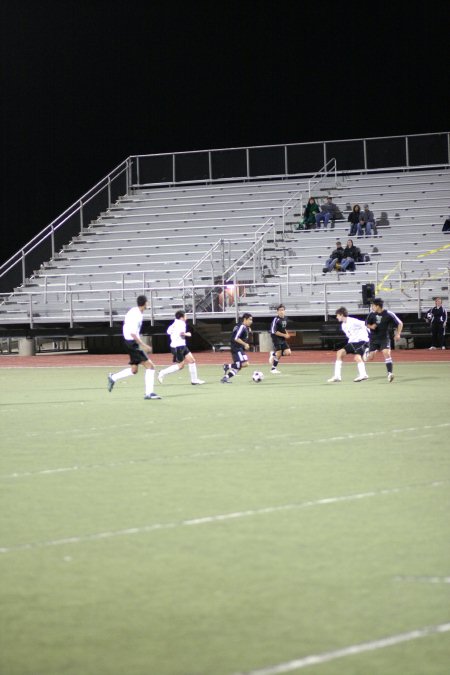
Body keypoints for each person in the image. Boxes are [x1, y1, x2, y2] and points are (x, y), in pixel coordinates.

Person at [107, 295, 161, 400]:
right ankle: (149, 393)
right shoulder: (136, 315)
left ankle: (113, 377)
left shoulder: (134, 311)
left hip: (129, 342)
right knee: (150, 367)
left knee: (134, 370)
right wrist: (144, 345)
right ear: (145, 303)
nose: (148, 304)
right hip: (132, 343)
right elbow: (133, 333)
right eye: (147, 302)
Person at [157, 310, 205, 385]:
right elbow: (181, 334)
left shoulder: (174, 323)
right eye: (185, 315)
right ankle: (162, 372)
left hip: (180, 345)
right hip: (178, 347)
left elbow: (168, 331)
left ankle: (194, 380)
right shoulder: (182, 323)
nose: (186, 317)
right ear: (181, 317)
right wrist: (188, 334)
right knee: (181, 366)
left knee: (192, 361)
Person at [363, 298, 403, 382]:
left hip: (384, 338)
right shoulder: (371, 314)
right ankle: (367, 352)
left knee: (386, 353)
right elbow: (366, 324)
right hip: (373, 339)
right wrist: (371, 326)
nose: (372, 307)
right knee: (370, 358)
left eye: (373, 305)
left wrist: (398, 333)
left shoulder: (389, 314)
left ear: (378, 306)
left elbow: (400, 323)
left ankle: (389, 374)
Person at [328, 307, 370, 382]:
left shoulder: (353, 321)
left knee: (357, 357)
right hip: (352, 343)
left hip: (362, 341)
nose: (336, 317)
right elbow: (350, 336)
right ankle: (337, 376)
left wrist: (370, 336)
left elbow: (365, 324)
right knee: (339, 353)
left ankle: (363, 375)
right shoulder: (343, 325)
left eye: (337, 315)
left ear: (341, 315)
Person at [221, 313, 253, 383]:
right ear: (245, 319)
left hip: (239, 348)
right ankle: (227, 366)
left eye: (251, 320)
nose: (251, 321)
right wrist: (245, 344)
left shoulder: (244, 327)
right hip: (236, 348)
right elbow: (236, 338)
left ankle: (226, 378)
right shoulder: (242, 326)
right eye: (250, 320)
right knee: (242, 364)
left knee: (242, 365)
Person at [269, 304, 291, 374]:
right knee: (279, 353)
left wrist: (286, 333)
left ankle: (273, 354)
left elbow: (284, 328)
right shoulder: (276, 319)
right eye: (280, 310)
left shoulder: (286, 318)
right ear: (277, 312)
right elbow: (274, 331)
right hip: (276, 337)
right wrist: (285, 335)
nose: (281, 312)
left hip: (282, 337)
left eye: (283, 310)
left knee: (288, 353)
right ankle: (273, 369)